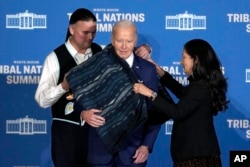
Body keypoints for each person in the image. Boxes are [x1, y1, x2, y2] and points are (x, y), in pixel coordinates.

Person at [35, 8, 152, 167]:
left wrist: (146, 48)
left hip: (98, 138)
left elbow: (125, 48)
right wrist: (63, 86)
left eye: (94, 32)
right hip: (68, 136)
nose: (90, 37)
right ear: (71, 29)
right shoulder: (54, 58)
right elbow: (42, 100)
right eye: (85, 32)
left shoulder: (101, 51)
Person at [66, 19, 161, 167]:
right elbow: (78, 99)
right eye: (119, 41)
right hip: (99, 151)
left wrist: (146, 145)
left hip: (133, 151)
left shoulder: (147, 70)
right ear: (112, 39)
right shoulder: (96, 63)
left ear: (135, 40)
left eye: (129, 41)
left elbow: (156, 112)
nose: (124, 46)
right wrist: (84, 114)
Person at [134, 39, 230, 167]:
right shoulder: (200, 85)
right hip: (197, 157)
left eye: (184, 57)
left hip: (197, 160)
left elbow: (177, 112)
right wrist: (160, 72)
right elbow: (184, 94)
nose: (181, 61)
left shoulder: (199, 87)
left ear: (195, 60)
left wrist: (149, 93)